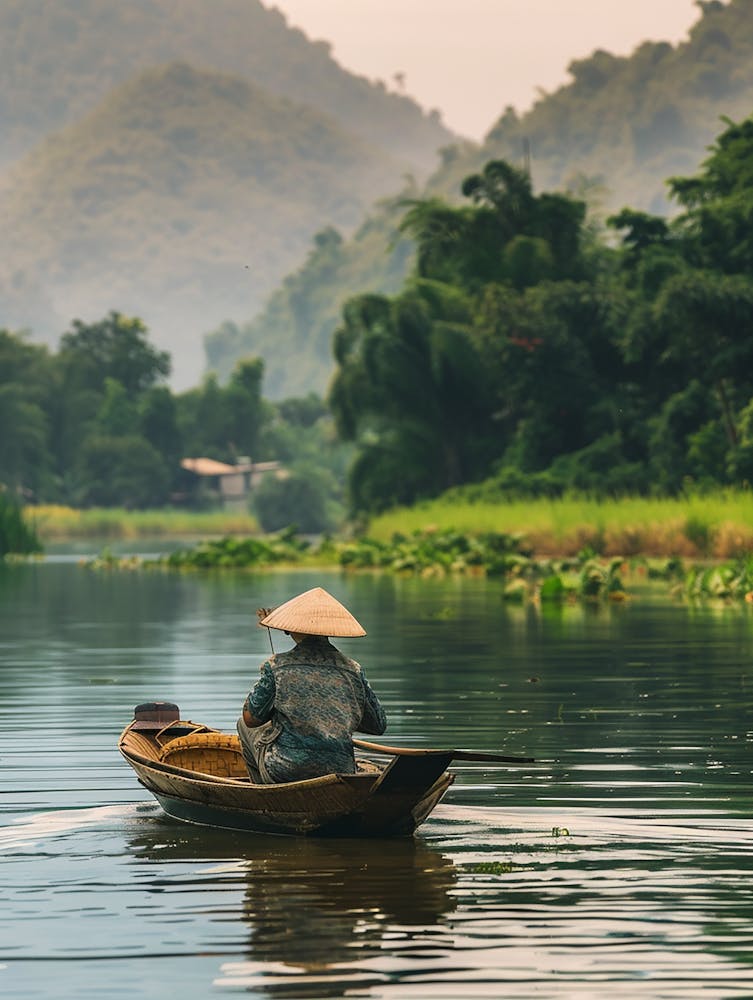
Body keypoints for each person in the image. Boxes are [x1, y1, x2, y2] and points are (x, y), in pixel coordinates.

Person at [237, 586, 387, 784]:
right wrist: (338, 712)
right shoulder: (353, 669)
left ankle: (263, 796)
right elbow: (378, 725)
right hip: (341, 770)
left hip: (285, 770)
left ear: (288, 629)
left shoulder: (277, 666)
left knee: (242, 725)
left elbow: (251, 718)